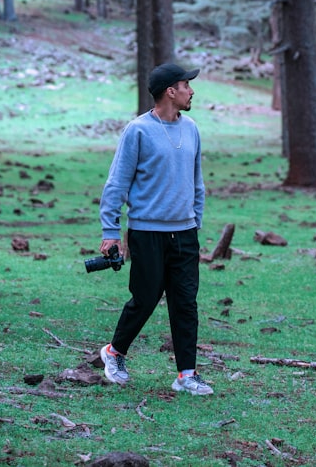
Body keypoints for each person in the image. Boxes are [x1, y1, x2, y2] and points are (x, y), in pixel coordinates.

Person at [97, 63, 213, 395]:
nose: (191, 90)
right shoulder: (138, 131)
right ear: (169, 91)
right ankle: (114, 352)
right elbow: (117, 184)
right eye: (186, 85)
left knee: (185, 303)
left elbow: (197, 182)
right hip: (147, 232)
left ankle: (186, 375)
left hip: (185, 233)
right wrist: (110, 231)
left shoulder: (191, 128)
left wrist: (196, 223)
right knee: (145, 298)